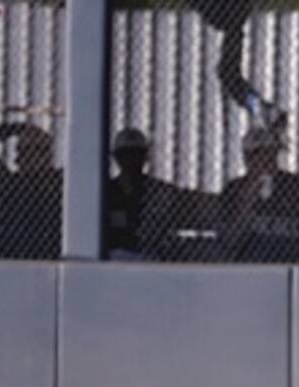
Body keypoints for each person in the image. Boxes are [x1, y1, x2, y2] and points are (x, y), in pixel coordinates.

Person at [216, 127, 299, 263]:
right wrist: (246, 204)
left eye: (270, 153)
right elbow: (228, 243)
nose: (266, 160)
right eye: (258, 155)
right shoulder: (234, 190)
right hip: (250, 266)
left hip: (295, 264)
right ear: (247, 159)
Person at [0, 121, 62, 259]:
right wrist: (19, 127)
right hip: (30, 252)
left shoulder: (9, 184)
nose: (17, 160)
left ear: (42, 154)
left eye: (23, 152)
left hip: (16, 251)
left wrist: (16, 128)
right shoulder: (8, 183)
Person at [188, 0, 286, 132]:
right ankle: (260, 108)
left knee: (228, 75)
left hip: (230, 15)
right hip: (232, 19)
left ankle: (261, 108)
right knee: (228, 75)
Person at [105, 127, 180, 260]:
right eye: (126, 154)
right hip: (117, 254)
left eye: (136, 154)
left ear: (144, 157)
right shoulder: (108, 192)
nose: (131, 160)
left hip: (151, 254)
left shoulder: (158, 190)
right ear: (117, 157)